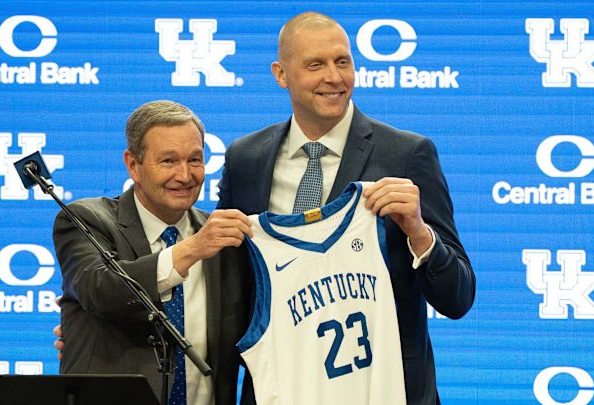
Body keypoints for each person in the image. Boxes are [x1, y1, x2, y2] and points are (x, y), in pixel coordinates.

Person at [216, 12, 476, 405]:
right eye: (315, 65)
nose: (334, 78)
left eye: (343, 62)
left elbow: (459, 298)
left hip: (383, 389)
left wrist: (420, 234)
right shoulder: (245, 159)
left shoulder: (407, 154)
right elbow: (233, 288)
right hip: (282, 388)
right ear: (281, 74)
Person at [52, 100, 252, 405]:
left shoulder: (225, 243)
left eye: (195, 160)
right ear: (133, 164)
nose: (185, 175)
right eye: (169, 161)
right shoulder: (85, 219)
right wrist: (192, 249)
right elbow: (100, 290)